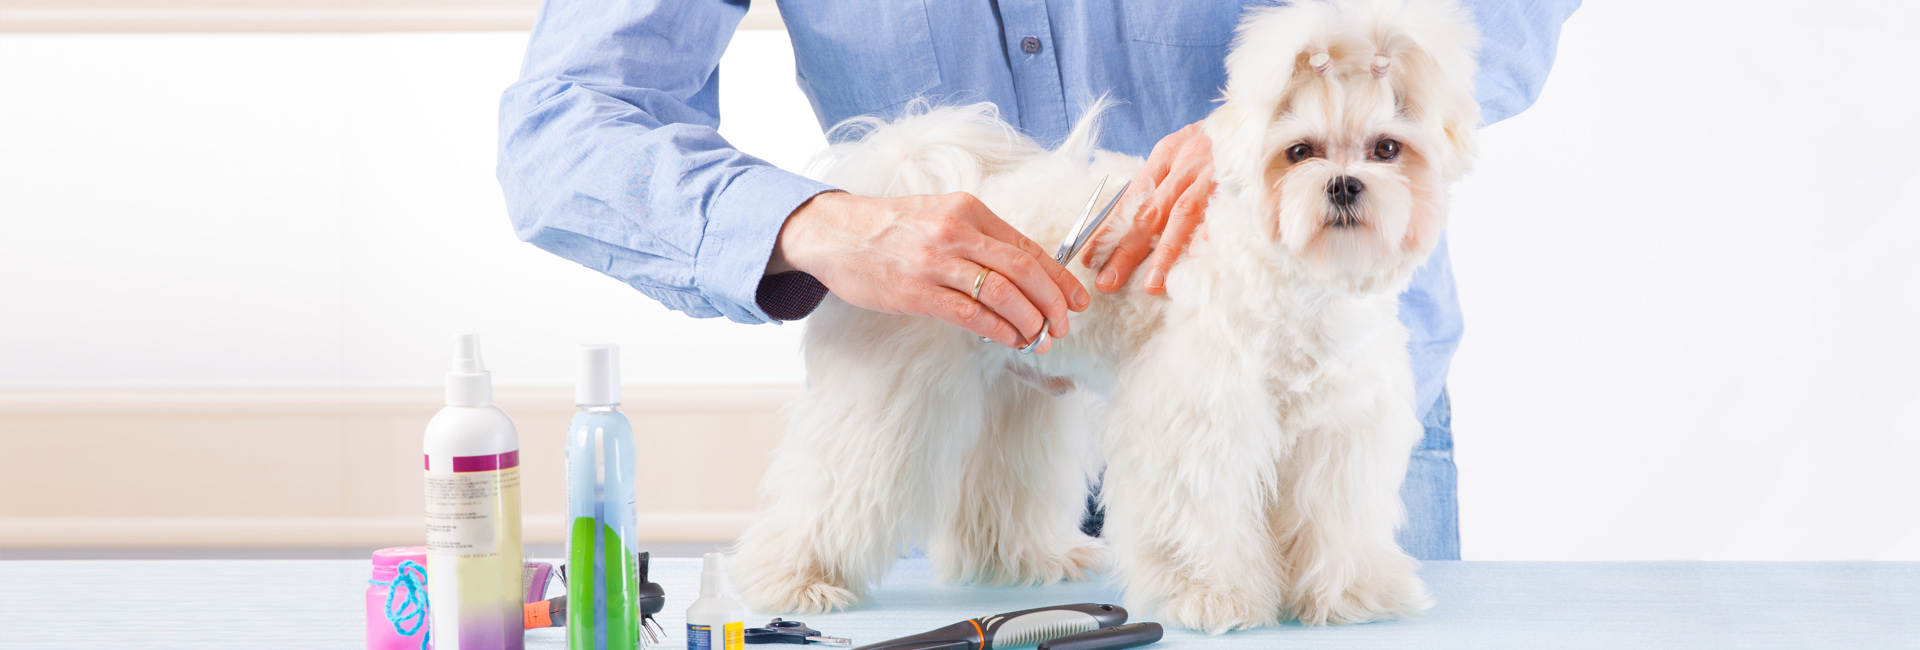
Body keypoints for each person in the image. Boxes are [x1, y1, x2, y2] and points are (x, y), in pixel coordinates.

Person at [496, 0, 1579, 561]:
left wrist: (1265, 127)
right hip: (956, 432)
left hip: (1312, 419)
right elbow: (564, 127)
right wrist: (817, 221)